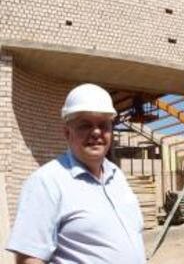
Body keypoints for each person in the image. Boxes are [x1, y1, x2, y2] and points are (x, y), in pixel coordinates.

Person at [6, 84, 146, 264]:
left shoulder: (117, 175)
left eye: (103, 125)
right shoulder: (46, 182)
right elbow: (29, 258)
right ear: (67, 132)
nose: (96, 132)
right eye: (85, 125)